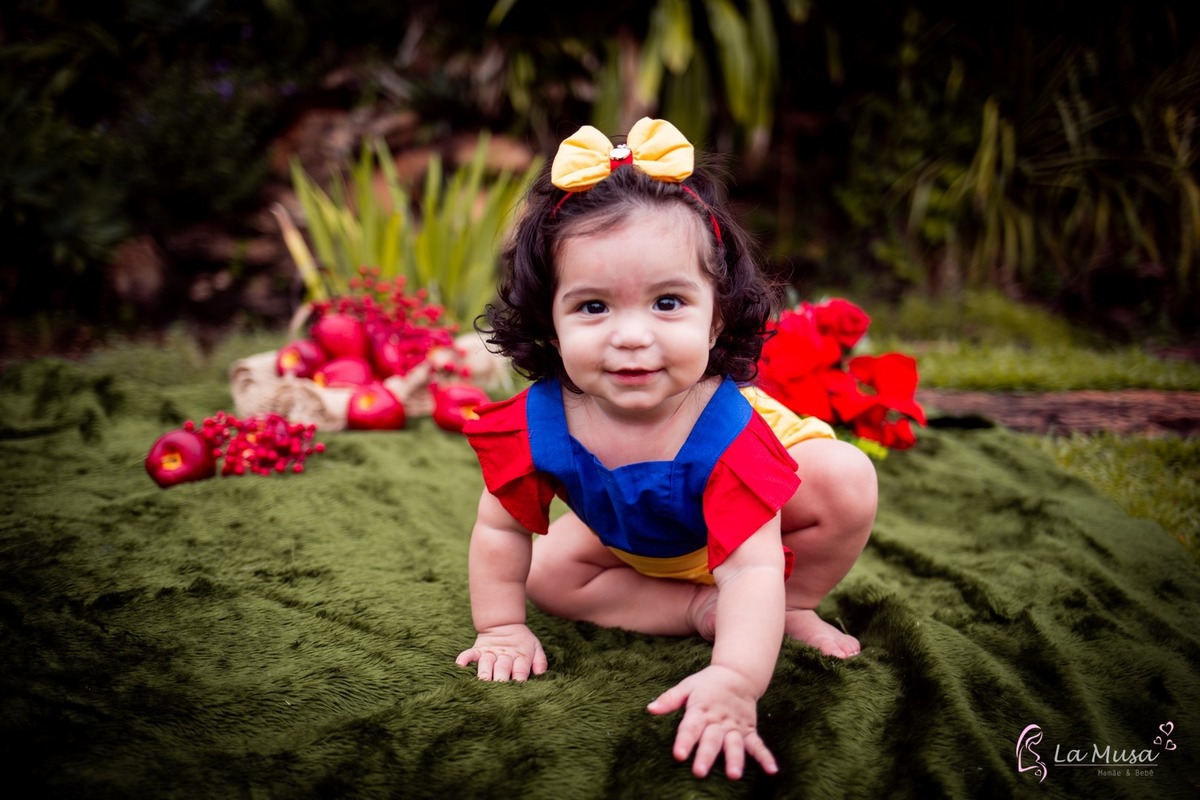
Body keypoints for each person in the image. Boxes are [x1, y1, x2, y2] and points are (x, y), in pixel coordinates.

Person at [455, 118, 878, 780]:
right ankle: (693, 609)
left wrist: (734, 680)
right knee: (546, 577)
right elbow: (497, 526)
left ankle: (794, 610)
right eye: (593, 307)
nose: (630, 336)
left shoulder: (730, 439)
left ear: (716, 319)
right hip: (638, 533)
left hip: (752, 532)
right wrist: (501, 626)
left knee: (845, 480)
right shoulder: (540, 422)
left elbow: (752, 568)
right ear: (550, 322)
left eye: (668, 302)